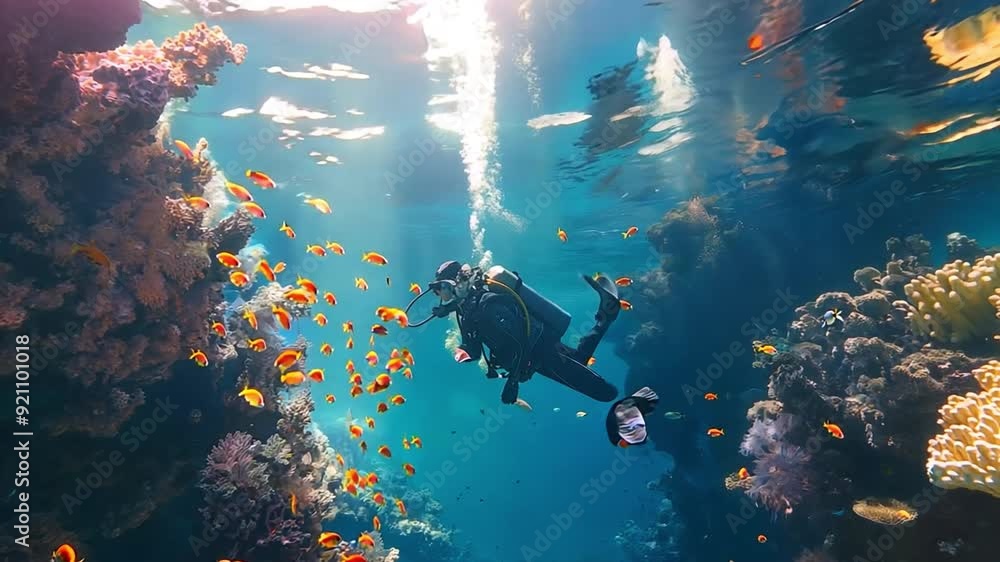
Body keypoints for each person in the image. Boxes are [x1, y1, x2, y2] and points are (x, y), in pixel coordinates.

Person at [428, 260, 622, 404]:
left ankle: (607, 314)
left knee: (604, 393)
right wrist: (463, 350)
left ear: (455, 284)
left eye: (440, 288)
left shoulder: (487, 305)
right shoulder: (469, 311)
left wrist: (512, 383)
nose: (438, 294)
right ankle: (606, 314)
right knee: (579, 359)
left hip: (543, 352)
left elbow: (521, 340)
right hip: (534, 358)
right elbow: (474, 348)